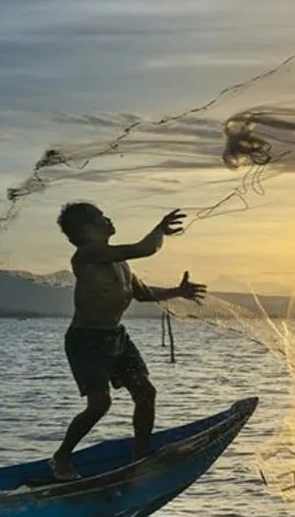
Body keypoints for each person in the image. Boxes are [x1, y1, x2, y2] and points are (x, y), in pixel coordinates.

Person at [49, 202, 207, 481]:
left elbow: (143, 294)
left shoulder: (119, 262)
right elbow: (144, 248)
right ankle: (61, 457)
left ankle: (140, 455)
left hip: (116, 336)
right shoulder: (88, 254)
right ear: (87, 229)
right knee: (99, 405)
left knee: (146, 393)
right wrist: (160, 230)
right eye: (101, 217)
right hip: (87, 339)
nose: (108, 219)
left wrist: (177, 291)